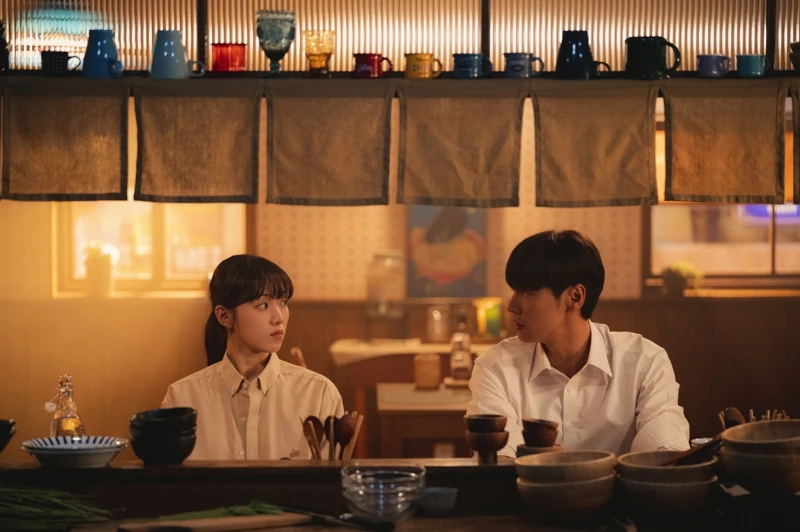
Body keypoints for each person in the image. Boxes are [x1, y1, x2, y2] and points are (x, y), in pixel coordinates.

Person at [467, 230, 690, 457]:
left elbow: (665, 453)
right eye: (514, 291)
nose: (511, 306)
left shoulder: (644, 361)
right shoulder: (496, 367)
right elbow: (498, 459)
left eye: (527, 292)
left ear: (575, 297)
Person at [162, 254, 344, 460]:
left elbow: (331, 477)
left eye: (284, 302)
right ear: (224, 316)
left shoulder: (318, 393)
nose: (279, 318)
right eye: (263, 305)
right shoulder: (183, 398)